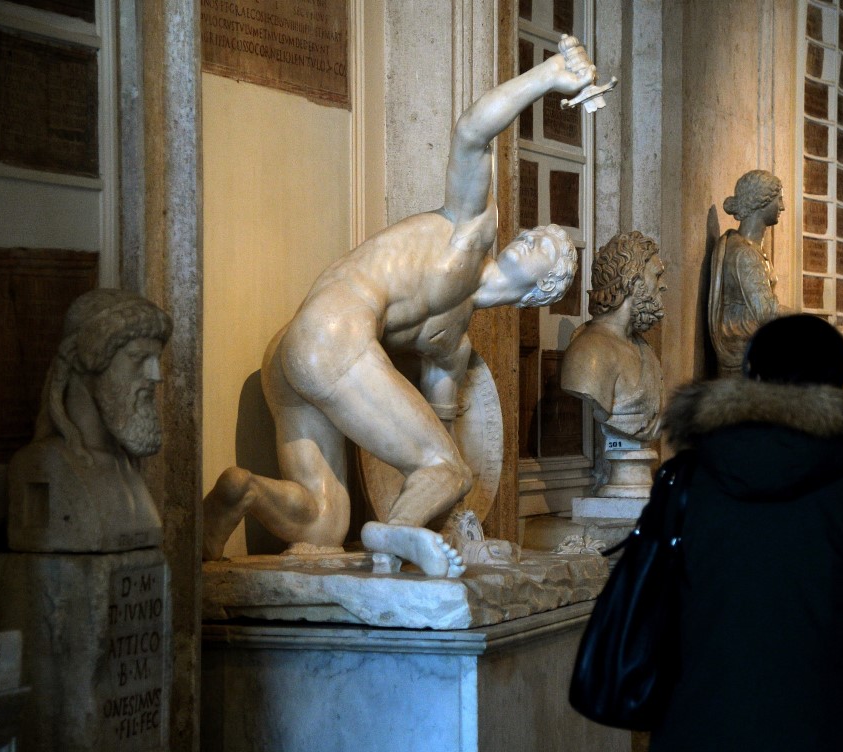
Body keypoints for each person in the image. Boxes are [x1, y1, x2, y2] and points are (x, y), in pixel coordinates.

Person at [203, 37, 595, 577]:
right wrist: (548, 75)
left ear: (541, 291)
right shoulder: (473, 229)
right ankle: (392, 537)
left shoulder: (452, 346)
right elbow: (471, 132)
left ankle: (236, 492)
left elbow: (434, 428)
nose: (532, 235)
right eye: (536, 231)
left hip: (296, 354)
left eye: (546, 246)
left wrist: (464, 531)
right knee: (444, 468)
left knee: (323, 522)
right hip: (331, 333)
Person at [647, 313, 843, 752]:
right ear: (838, 383)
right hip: (820, 731)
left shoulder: (684, 482)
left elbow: (654, 602)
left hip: (698, 729)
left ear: (751, 376)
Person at [8, 289, 172, 552]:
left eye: (156, 360)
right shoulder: (45, 463)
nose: (156, 376)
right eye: (139, 358)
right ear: (89, 361)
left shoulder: (126, 466)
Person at [560, 230, 665, 443]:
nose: (663, 285)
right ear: (632, 281)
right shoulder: (589, 353)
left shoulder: (643, 348)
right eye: (657, 275)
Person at [707, 170, 789, 377]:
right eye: (778, 199)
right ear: (761, 201)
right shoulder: (744, 253)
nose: (782, 206)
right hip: (746, 351)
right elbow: (767, 312)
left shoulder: (750, 249)